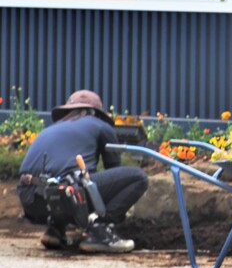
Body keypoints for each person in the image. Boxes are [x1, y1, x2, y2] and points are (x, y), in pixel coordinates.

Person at [17, 89, 149, 254]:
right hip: (68, 196)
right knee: (138, 178)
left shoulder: (49, 130)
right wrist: (111, 212)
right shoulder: (101, 126)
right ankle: (100, 231)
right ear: (95, 112)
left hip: (30, 200)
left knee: (68, 182)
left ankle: (55, 229)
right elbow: (114, 170)